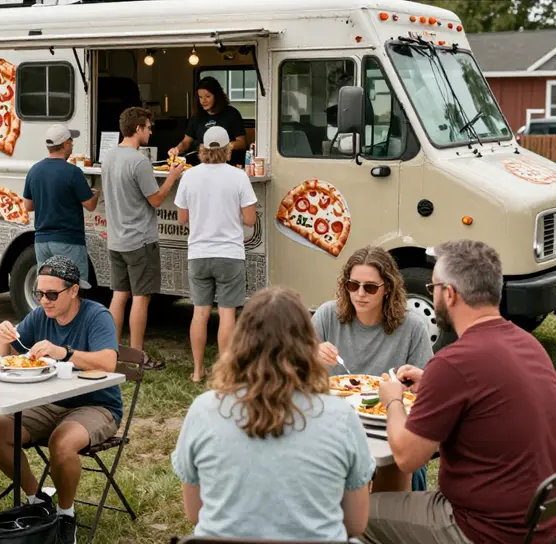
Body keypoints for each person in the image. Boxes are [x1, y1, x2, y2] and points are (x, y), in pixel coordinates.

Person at [364, 240, 556, 544]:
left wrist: (393, 401)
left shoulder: (454, 362)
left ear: (449, 294)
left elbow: (406, 458)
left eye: (433, 288)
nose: (434, 294)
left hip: (479, 528)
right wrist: (433, 383)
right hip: (534, 524)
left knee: (355, 511)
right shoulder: (530, 346)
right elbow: (487, 399)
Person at [171, 287, 373, 540]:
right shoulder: (341, 416)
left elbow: (195, 513)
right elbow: (355, 524)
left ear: (240, 341)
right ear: (308, 344)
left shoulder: (203, 410)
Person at [0, 256, 122, 544]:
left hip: (97, 405)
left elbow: (108, 362)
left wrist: (64, 352)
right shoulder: (40, 316)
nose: (44, 301)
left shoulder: (97, 316)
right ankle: (37, 500)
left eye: (51, 294)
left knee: (62, 442)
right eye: (39, 294)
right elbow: (0, 357)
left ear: (73, 291)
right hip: (50, 401)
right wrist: (1, 336)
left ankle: (65, 515)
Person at [314, 245, 433, 492]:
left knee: (409, 466)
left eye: (369, 287)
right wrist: (311, 355)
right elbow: (293, 372)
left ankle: (396, 522)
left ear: (387, 288)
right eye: (352, 285)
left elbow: (427, 395)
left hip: (389, 422)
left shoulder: (412, 327)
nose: (359, 294)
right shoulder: (327, 315)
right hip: (335, 423)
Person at [174, 126, 257, 383]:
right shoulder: (238, 177)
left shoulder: (190, 177)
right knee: (227, 313)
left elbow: (182, 218)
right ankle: (226, 374)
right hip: (230, 253)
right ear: (227, 148)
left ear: (202, 148)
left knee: (199, 312)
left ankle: (198, 371)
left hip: (198, 252)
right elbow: (250, 220)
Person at [102, 107, 182, 370]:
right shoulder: (139, 161)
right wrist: (172, 177)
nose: (151, 131)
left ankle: (112, 352)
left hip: (116, 238)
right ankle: (137, 355)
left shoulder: (109, 157)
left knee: (118, 295)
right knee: (140, 297)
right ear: (138, 129)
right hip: (140, 239)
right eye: (148, 127)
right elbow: (156, 200)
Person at [22, 124, 100, 286]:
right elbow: (90, 206)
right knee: (74, 287)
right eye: (71, 142)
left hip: (41, 241)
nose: (72, 145)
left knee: (48, 288)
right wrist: (95, 195)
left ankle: (49, 312)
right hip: (68, 241)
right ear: (64, 144)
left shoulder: (34, 171)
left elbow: (28, 206)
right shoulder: (73, 172)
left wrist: (48, 198)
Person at [168, 76, 247, 167]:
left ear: (217, 96)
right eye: (200, 97)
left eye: (208, 97)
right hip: (201, 165)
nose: (203, 101)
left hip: (227, 165)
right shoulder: (196, 117)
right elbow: (186, 142)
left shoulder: (231, 114)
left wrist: (221, 148)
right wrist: (177, 149)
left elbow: (241, 143)